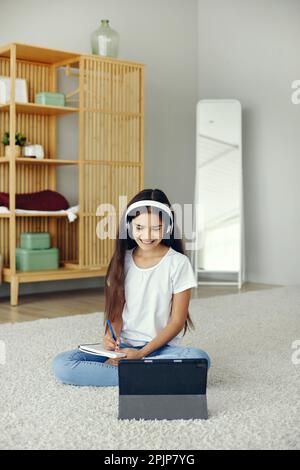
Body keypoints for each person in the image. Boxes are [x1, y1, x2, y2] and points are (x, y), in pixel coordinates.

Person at [53, 188, 211, 386]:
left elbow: (177, 322)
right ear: (129, 226)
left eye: (156, 228)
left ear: (168, 226)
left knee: (200, 359)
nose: (146, 235)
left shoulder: (178, 263)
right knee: (62, 364)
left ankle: (133, 371)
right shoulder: (122, 260)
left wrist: (142, 353)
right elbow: (117, 314)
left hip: (159, 349)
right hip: (124, 348)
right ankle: (147, 374)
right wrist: (110, 337)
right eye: (139, 227)